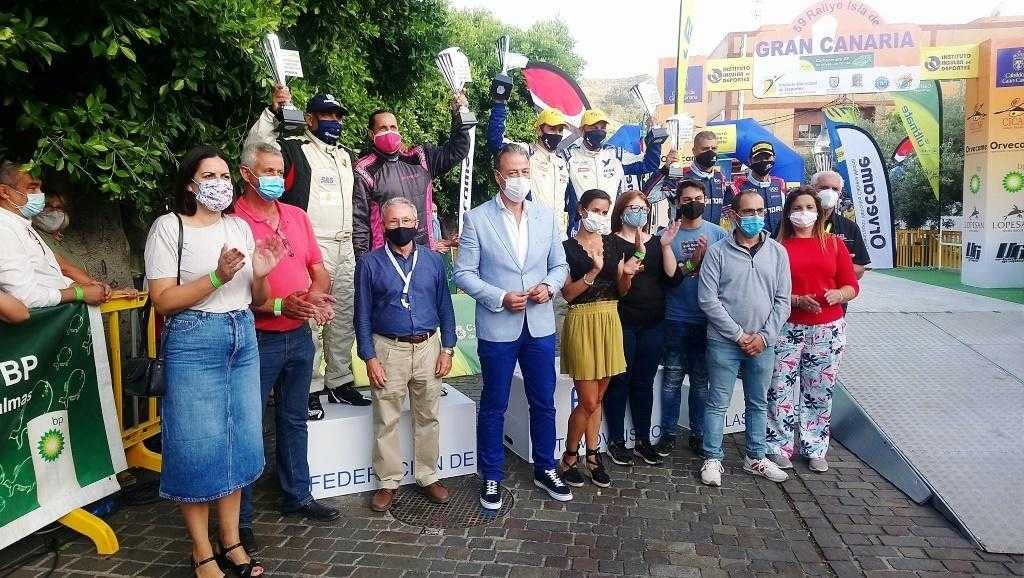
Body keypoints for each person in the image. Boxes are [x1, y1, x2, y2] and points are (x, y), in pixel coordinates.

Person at [145, 146, 284, 578]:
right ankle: (202, 551)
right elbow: (163, 300)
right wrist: (217, 277)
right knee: (196, 443)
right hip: (193, 339)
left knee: (240, 439)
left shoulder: (238, 226)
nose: (220, 184)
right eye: (210, 176)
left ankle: (232, 541)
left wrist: (262, 273)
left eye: (225, 176)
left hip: (242, 334)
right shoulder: (169, 228)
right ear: (190, 184)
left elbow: (257, 298)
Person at [234, 143, 340, 553]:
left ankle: (297, 494)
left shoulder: (297, 216)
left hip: (298, 336)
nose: (277, 179)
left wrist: (313, 300)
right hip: (256, 339)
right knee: (247, 428)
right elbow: (233, 292)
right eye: (268, 171)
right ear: (247, 175)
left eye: (280, 171)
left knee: (294, 418)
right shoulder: (233, 223)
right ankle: (240, 521)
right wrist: (281, 304)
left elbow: (319, 270)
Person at [454, 144, 572, 508]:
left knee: (544, 401)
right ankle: (491, 474)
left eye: (524, 172)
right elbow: (463, 274)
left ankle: (546, 467)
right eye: (512, 173)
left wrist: (549, 287)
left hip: (539, 325)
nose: (519, 179)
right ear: (498, 176)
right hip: (497, 327)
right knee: (494, 403)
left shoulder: (545, 216)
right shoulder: (477, 219)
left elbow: (560, 265)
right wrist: (500, 296)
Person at [244, 86, 369, 417]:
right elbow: (257, 151)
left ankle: (340, 381)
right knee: (310, 316)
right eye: (326, 115)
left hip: (345, 244)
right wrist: (273, 113)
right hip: (311, 242)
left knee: (342, 316)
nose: (334, 121)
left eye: (338, 116)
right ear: (309, 119)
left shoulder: (347, 155)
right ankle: (310, 387)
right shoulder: (294, 148)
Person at [355, 197, 457, 512]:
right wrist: (369, 357)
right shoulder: (369, 263)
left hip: (428, 347)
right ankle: (388, 481)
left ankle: (428, 476)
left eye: (406, 221)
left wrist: (448, 347)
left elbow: (445, 306)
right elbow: (362, 315)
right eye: (393, 222)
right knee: (386, 418)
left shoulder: (433, 261)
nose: (401, 227)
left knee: (428, 416)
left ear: (416, 223)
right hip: (388, 348)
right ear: (383, 225)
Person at [696, 189, 792, 487]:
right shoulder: (717, 252)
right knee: (717, 402)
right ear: (734, 215)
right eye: (748, 212)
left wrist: (764, 336)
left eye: (760, 211)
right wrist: (739, 335)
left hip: (764, 343)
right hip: (723, 342)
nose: (755, 217)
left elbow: (783, 301)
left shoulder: (777, 252)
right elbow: (708, 299)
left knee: (758, 402)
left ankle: (755, 457)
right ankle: (712, 458)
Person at [766, 187, 859, 473]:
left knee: (819, 390)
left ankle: (815, 447)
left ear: (818, 213)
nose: (803, 213)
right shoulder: (777, 247)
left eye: (809, 207)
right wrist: (795, 300)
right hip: (786, 327)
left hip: (827, 330)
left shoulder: (834, 244)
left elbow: (851, 285)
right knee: (779, 388)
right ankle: (778, 446)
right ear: (788, 213)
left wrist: (839, 295)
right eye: (797, 207)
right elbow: (769, 289)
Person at [558, 189, 637, 487]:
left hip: (610, 319)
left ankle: (592, 456)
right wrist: (593, 271)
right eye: (596, 210)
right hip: (581, 320)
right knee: (589, 400)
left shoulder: (613, 244)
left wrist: (627, 274)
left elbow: (622, 290)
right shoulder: (565, 248)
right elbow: (567, 294)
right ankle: (569, 456)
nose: (601, 216)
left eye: (605, 212)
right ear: (581, 210)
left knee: (599, 398)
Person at [653, 179, 728, 458]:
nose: (693, 203)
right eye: (686, 199)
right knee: (672, 379)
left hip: (707, 319)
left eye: (698, 198)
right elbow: (665, 278)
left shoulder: (718, 234)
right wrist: (692, 261)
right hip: (674, 317)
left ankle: (698, 434)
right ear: (677, 202)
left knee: (700, 381)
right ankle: (668, 434)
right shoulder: (666, 234)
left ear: (705, 201)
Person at [352, 96, 472, 259]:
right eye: (383, 128)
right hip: (385, 258)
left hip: (424, 253)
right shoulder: (364, 170)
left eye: (393, 127)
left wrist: (460, 114)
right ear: (371, 134)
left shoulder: (420, 158)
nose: (389, 132)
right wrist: (364, 262)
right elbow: (359, 222)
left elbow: (457, 151)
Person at [603, 190, 667, 468]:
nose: (639, 213)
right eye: (632, 208)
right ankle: (616, 440)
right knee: (620, 380)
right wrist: (625, 271)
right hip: (622, 321)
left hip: (654, 322)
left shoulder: (658, 242)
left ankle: (643, 439)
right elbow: (611, 285)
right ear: (621, 211)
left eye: (643, 208)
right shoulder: (610, 242)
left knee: (644, 382)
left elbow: (669, 278)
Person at [0, 160, 107, 309]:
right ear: (4, 192)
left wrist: (85, 287)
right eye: (32, 188)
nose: (39, 195)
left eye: (39, 188)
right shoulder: (4, 229)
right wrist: (79, 293)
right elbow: (25, 297)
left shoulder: (22, 225)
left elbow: (49, 275)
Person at [563, 109, 664, 235]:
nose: (599, 131)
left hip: (610, 228)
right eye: (594, 127)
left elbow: (650, 164)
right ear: (581, 130)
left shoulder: (615, 155)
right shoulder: (568, 157)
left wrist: (654, 133)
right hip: (580, 229)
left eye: (602, 127)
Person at [487, 106, 571, 232]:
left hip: (559, 233)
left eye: (560, 130)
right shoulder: (525, 151)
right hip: (531, 229)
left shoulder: (563, 161)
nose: (557, 134)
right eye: (552, 129)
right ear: (539, 130)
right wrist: (500, 104)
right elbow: (496, 142)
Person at [31, 189, 117, 299]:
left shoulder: (59, 242)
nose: (54, 212)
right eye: (48, 207)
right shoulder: (35, 237)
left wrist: (113, 292)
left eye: (59, 208)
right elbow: (64, 268)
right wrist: (95, 286)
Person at [643, 130, 732, 226]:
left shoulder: (720, 177)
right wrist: (664, 170)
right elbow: (647, 197)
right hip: (681, 233)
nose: (710, 152)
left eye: (714, 148)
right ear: (694, 151)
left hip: (713, 233)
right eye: (705, 149)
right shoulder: (679, 175)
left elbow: (726, 211)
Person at [810, 170, 871, 279]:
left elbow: (859, 269)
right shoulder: (794, 223)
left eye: (835, 189)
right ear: (812, 189)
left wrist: (834, 266)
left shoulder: (850, 227)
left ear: (840, 193)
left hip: (837, 289)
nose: (829, 192)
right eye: (824, 188)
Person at [728, 141, 786, 234]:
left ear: (774, 158)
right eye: (758, 158)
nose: (763, 161)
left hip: (778, 240)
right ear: (750, 160)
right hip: (749, 240)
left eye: (767, 157)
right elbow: (729, 221)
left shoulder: (780, 183)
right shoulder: (736, 187)